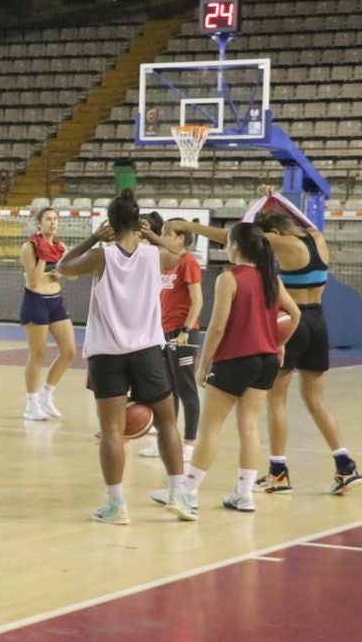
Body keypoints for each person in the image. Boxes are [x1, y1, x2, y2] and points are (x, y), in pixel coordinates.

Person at [168, 186, 361, 494]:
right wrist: (277, 198)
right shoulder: (316, 237)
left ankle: (278, 471)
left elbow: (236, 237)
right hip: (318, 321)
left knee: (277, 400)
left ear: (269, 230)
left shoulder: (277, 242)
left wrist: (188, 226)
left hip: (291, 321)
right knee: (316, 400)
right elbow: (296, 218)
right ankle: (345, 464)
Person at [57, 188, 194, 525]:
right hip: (147, 350)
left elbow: (63, 266)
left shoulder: (101, 255)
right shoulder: (152, 255)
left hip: (108, 354)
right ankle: (178, 494)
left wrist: (91, 238)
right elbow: (178, 253)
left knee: (111, 432)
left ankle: (116, 505)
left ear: (110, 223)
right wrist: (155, 237)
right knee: (166, 422)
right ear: (139, 223)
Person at [149, 223, 300, 514]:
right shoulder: (272, 279)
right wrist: (279, 343)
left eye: (228, 242)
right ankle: (244, 494)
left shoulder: (229, 279)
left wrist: (204, 365)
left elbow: (217, 328)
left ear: (236, 246)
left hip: (235, 358)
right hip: (266, 360)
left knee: (210, 429)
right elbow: (294, 314)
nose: (226, 247)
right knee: (250, 428)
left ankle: (188, 493)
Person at [140, 214, 203, 461]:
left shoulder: (188, 262)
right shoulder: (165, 261)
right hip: (161, 331)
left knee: (186, 387)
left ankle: (189, 442)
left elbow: (198, 301)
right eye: (163, 232)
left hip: (182, 332)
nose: (164, 237)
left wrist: (186, 331)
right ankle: (167, 440)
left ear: (181, 238)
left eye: (168, 233)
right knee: (166, 390)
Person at [17, 207, 76, 421]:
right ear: (39, 223)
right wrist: (43, 257)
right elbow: (33, 281)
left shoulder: (60, 246)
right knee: (38, 353)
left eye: (55, 218)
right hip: (36, 301)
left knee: (69, 351)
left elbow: (72, 275)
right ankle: (31, 404)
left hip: (56, 301)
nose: (53, 222)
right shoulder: (29, 247)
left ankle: (46, 394)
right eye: (48, 219)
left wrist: (61, 272)